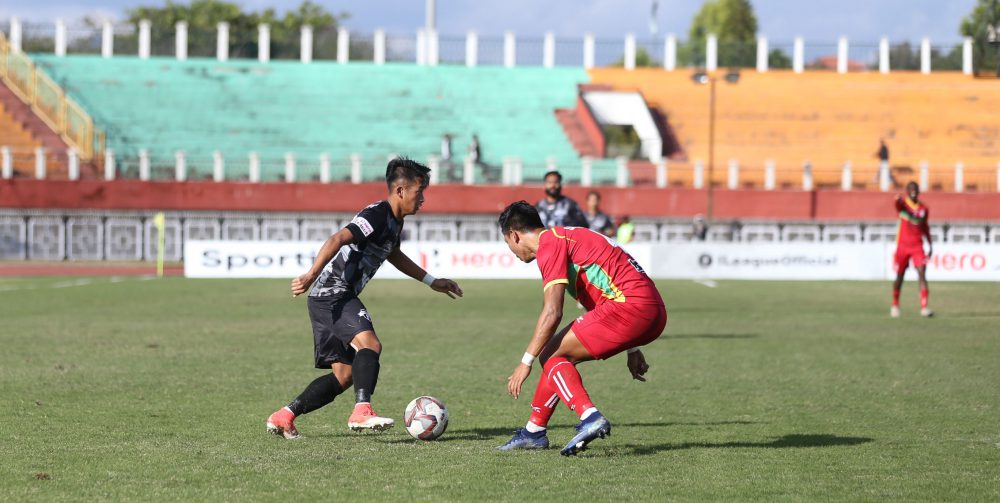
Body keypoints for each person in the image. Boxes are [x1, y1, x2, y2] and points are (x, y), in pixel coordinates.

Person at [266, 158, 464, 439]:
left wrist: (432, 281)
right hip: (333, 292)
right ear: (400, 191)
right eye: (419, 192)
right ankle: (361, 411)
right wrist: (311, 274)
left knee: (344, 376)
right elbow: (337, 239)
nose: (423, 199)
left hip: (328, 298)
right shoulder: (377, 214)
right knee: (370, 344)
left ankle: (284, 415)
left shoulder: (394, 223)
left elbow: (393, 254)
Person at [495, 201, 667, 456]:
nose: (511, 250)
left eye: (507, 243)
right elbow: (608, 288)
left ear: (514, 235)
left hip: (630, 308)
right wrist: (633, 349)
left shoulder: (549, 245)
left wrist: (525, 362)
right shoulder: (566, 236)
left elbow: (553, 311)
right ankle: (534, 431)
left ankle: (589, 417)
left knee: (551, 356)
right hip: (652, 310)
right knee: (556, 355)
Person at [891, 181, 933, 318]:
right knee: (900, 276)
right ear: (907, 191)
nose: (913, 191)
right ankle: (895, 304)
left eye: (915, 189)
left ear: (919, 191)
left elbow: (925, 227)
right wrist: (897, 199)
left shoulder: (924, 209)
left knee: (922, 273)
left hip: (917, 247)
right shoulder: (903, 206)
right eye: (911, 189)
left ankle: (924, 307)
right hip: (902, 247)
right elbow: (897, 205)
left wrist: (930, 244)